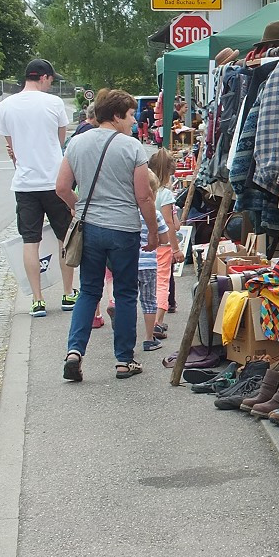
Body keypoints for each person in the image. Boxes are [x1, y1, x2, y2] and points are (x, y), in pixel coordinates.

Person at [57, 88, 159, 381]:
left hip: (90, 227)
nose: (133, 120)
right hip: (124, 229)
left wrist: (82, 208)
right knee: (126, 292)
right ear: (116, 116)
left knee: (89, 291)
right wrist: (152, 231)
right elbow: (144, 197)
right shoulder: (132, 147)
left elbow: (62, 187)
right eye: (130, 115)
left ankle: (74, 352)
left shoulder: (76, 143)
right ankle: (124, 361)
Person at [0, 58, 78, 317]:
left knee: (30, 240)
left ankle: (37, 300)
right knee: (64, 237)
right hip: (54, 181)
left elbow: (13, 150)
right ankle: (67, 293)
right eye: (51, 80)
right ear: (44, 77)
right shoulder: (54, 104)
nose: (51, 85)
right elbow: (60, 142)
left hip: (25, 183)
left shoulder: (6, 105)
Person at [147, 149, 184, 339]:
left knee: (148, 282)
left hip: (145, 241)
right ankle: (157, 322)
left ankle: (148, 317)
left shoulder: (147, 191)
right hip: (163, 244)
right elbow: (171, 224)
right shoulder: (166, 195)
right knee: (162, 282)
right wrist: (176, 249)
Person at [137, 171, 170, 353]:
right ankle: (149, 339)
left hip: (128, 263)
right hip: (148, 264)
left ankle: (123, 333)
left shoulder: (128, 213)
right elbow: (164, 239)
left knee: (126, 298)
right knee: (149, 301)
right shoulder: (155, 214)